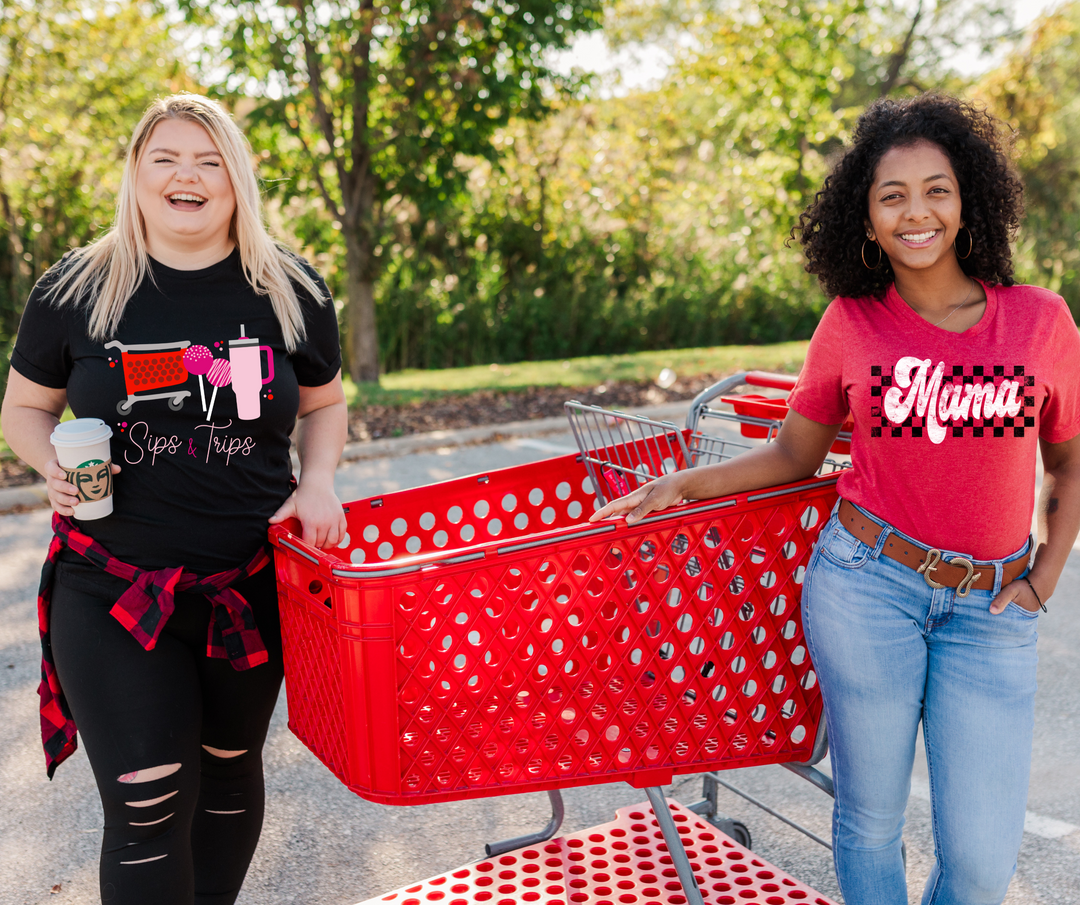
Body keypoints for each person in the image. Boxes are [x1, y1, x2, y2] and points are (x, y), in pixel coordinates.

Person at [591, 93, 1080, 904]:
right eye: (893, 195)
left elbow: (1068, 463)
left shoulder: (1040, 323)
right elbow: (794, 454)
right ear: (867, 215)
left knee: (983, 860)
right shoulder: (851, 323)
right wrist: (677, 482)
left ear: (969, 201)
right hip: (868, 589)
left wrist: (1046, 573)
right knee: (870, 823)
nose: (916, 211)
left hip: (993, 609)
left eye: (936, 189)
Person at [1, 94, 347, 905]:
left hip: (248, 587)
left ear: (236, 177)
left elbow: (326, 403)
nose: (187, 174)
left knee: (229, 776)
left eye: (209, 158)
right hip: (112, 585)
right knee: (148, 797)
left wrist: (320, 478)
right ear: (137, 175)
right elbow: (23, 408)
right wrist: (47, 457)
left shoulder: (290, 287)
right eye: (165, 158)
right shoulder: (79, 287)